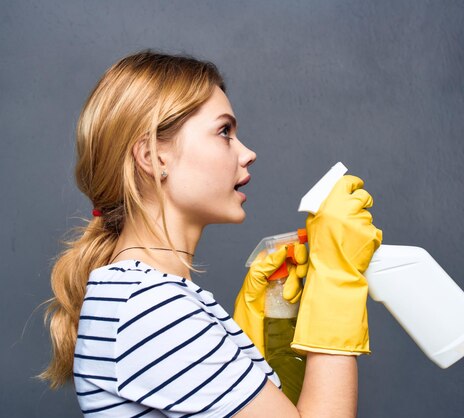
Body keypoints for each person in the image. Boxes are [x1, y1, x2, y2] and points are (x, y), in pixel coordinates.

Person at [40, 50, 382, 417]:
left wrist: (265, 341)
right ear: (154, 157)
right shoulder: (151, 308)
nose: (248, 153)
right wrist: (336, 279)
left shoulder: (138, 296)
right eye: (224, 131)